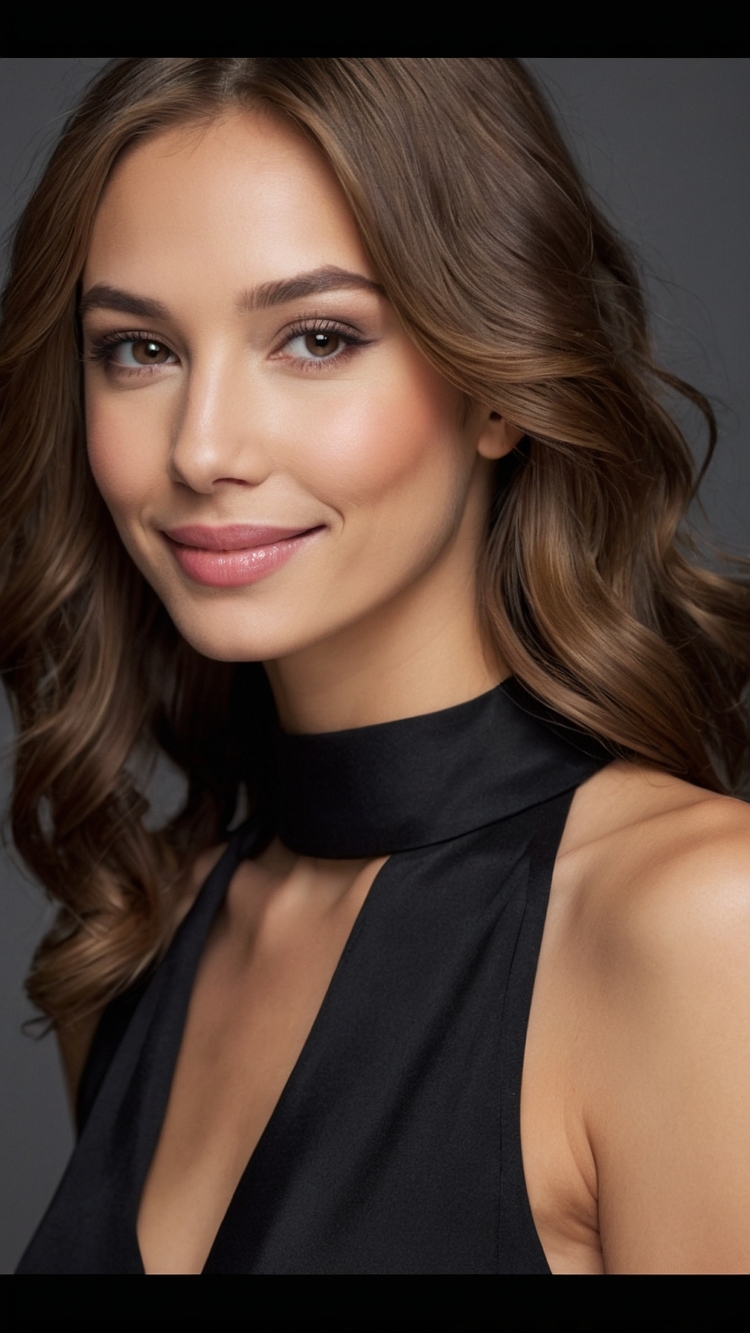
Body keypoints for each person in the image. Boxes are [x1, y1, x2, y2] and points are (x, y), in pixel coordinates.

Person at [2, 58, 749, 1275]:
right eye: (138, 349)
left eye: (315, 336)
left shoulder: (698, 929)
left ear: (496, 384)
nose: (203, 448)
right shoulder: (139, 946)